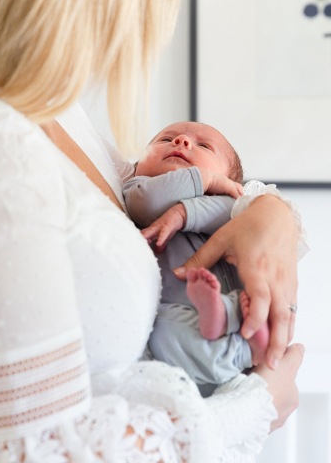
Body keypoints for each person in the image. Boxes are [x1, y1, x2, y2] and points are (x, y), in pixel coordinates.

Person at [0, 0, 305, 461]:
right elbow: (42, 452)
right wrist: (254, 408)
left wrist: (269, 213)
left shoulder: (35, 103)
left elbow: (163, 188)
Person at [123, 122, 310, 397]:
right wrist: (206, 179)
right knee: (163, 329)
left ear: (229, 182)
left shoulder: (235, 205)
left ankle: (237, 328)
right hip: (183, 326)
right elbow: (150, 201)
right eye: (166, 139)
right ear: (138, 165)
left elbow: (231, 210)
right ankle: (236, 344)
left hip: (236, 303)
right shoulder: (138, 187)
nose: (183, 141)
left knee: (256, 298)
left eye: (204, 146)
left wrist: (186, 211)